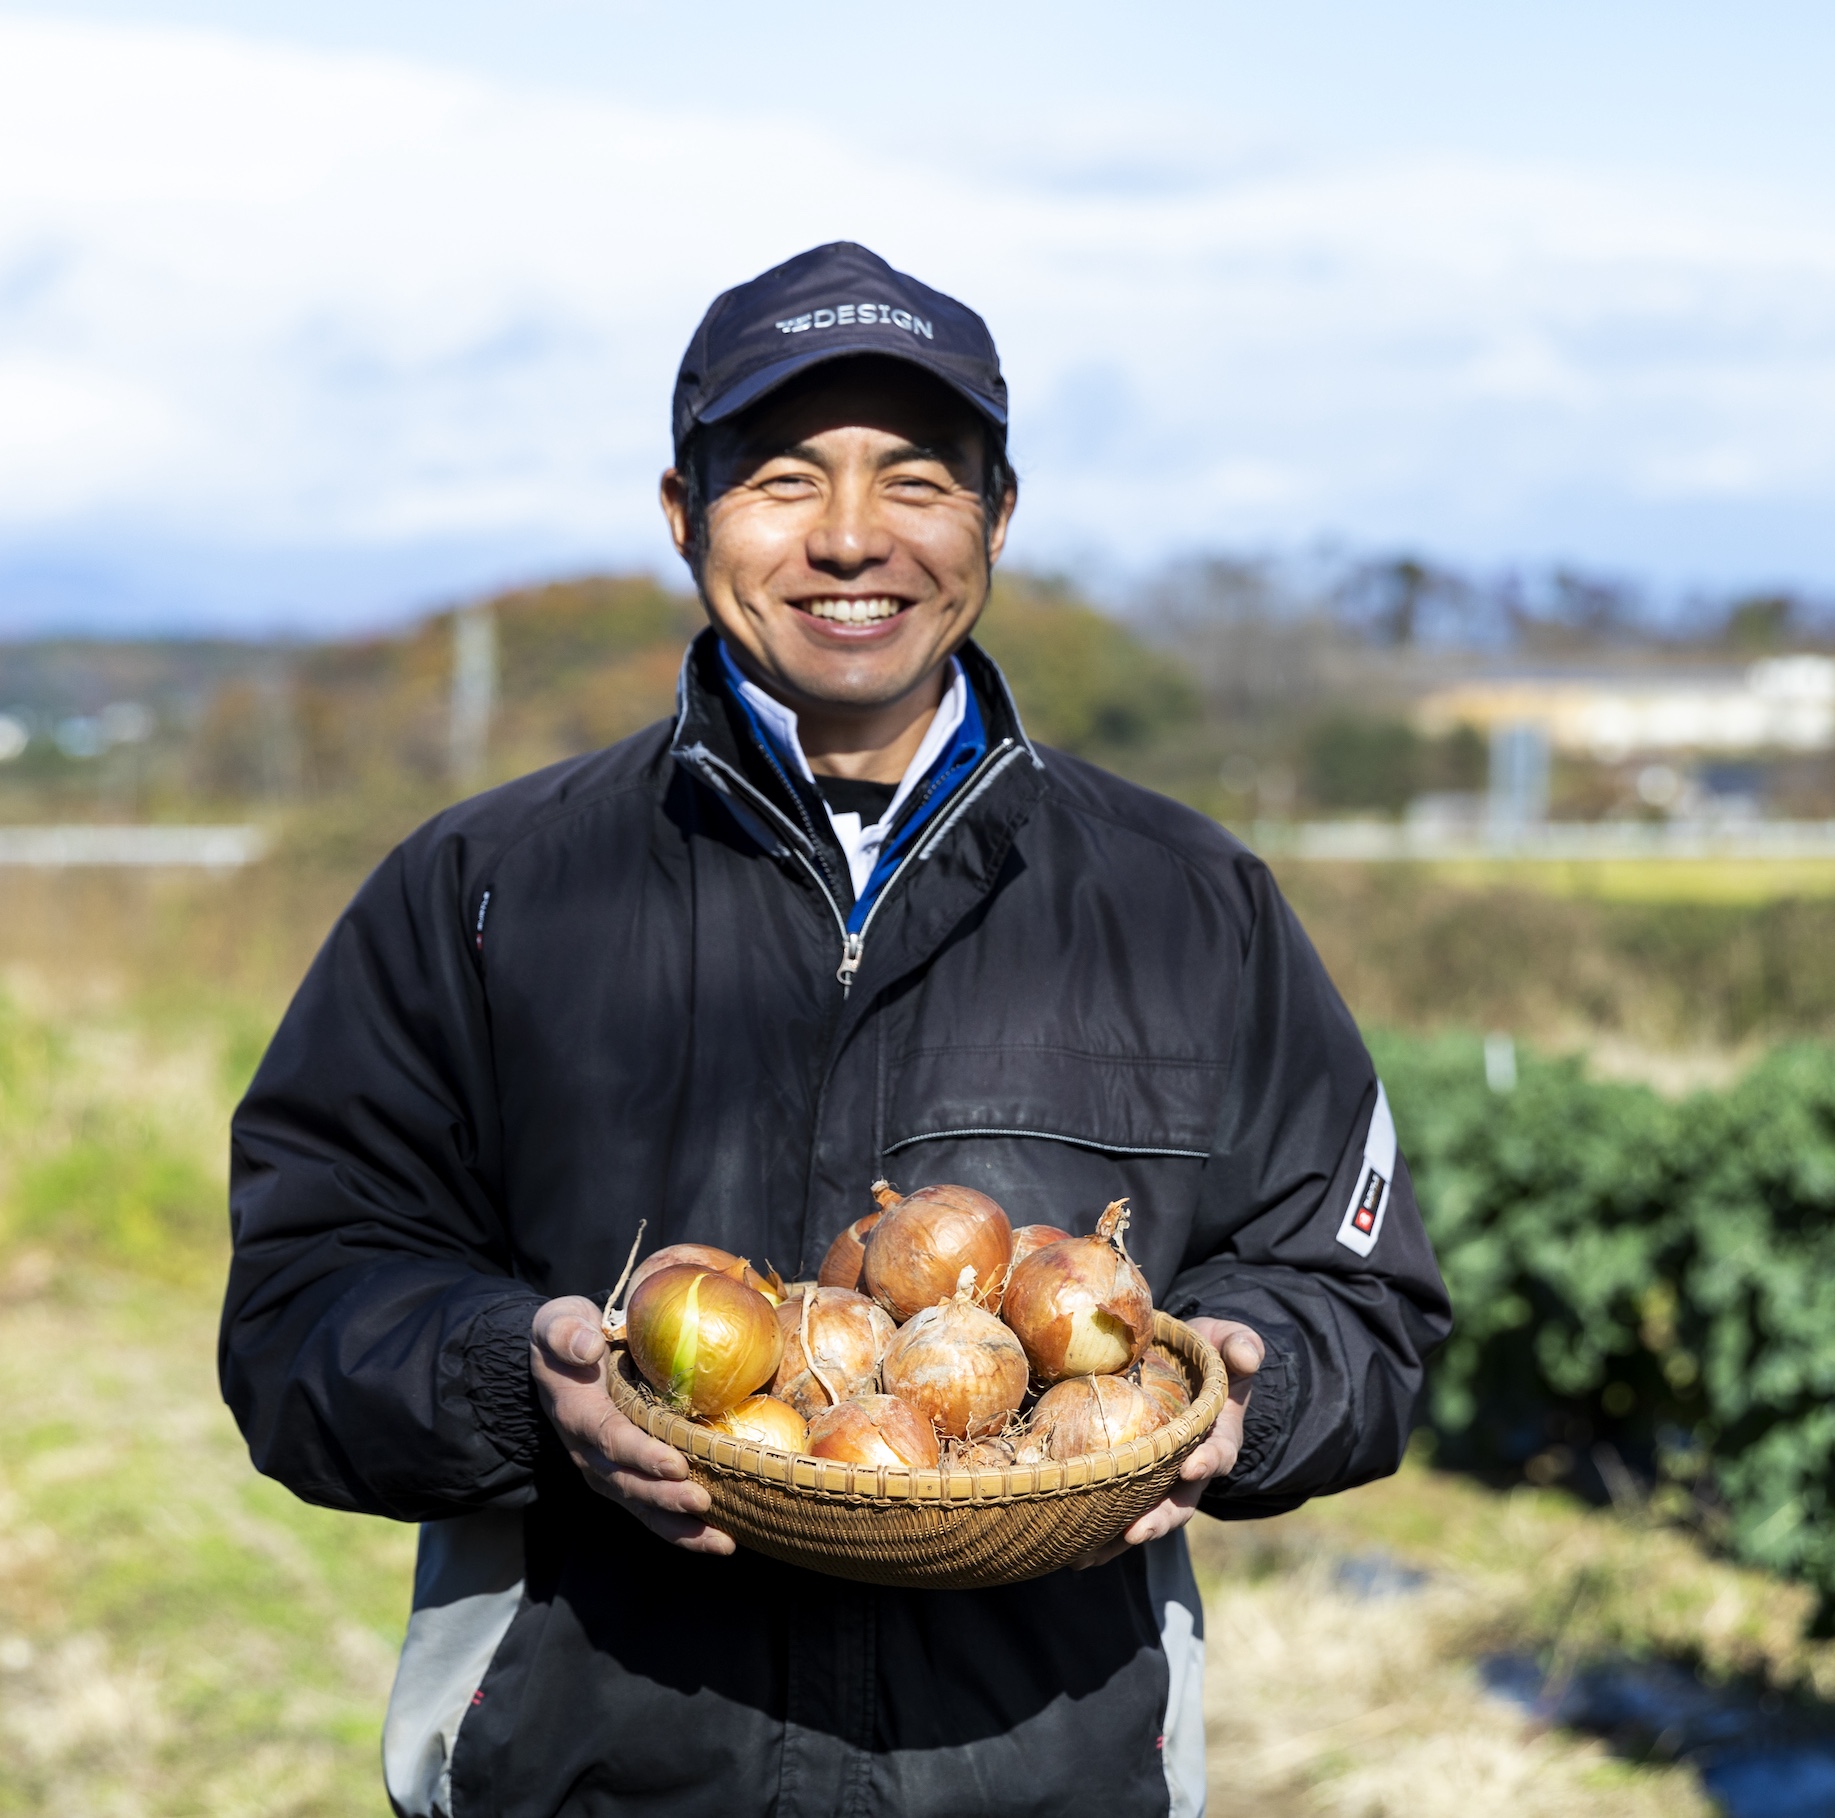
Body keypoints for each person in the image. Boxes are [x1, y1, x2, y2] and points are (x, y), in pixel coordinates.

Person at [219, 241, 1451, 1818]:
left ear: (996, 519)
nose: (852, 538)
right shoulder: (485, 891)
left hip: (1041, 1777)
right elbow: (302, 1312)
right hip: (595, 1773)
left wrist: (1240, 1386)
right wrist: (514, 1381)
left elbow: (1365, 1307)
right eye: (786, 480)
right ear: (685, 515)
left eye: (918, 480)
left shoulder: (1187, 905)